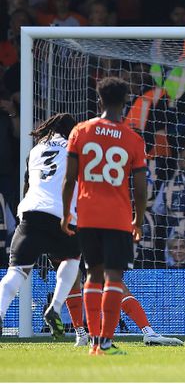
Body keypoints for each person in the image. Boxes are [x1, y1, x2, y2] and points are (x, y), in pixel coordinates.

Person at [61, 77, 148, 355]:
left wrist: (66, 214)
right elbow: (141, 187)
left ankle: (92, 342)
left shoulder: (80, 131)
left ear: (99, 99)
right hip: (118, 217)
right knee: (113, 277)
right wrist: (139, 219)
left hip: (86, 215)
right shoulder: (133, 139)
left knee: (92, 274)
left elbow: (69, 179)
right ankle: (106, 342)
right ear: (125, 103)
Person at [0, 114, 80, 338]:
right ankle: (55, 306)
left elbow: (27, 185)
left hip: (30, 213)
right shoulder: (75, 147)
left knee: (15, 272)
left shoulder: (34, 151)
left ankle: (0, 311)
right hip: (60, 214)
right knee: (72, 258)